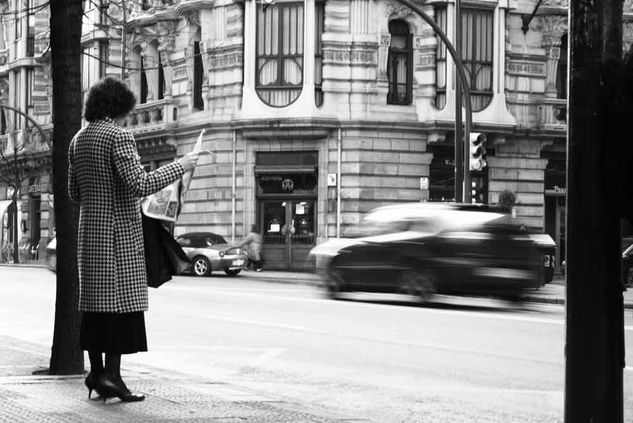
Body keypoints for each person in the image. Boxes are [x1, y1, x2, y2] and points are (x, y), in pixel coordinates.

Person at [68, 76, 199, 402]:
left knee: (95, 308)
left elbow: (74, 193)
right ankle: (112, 376)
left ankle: (96, 373)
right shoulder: (119, 136)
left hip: (90, 236)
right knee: (120, 308)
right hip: (119, 236)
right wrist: (181, 165)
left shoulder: (78, 140)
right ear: (118, 107)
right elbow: (140, 183)